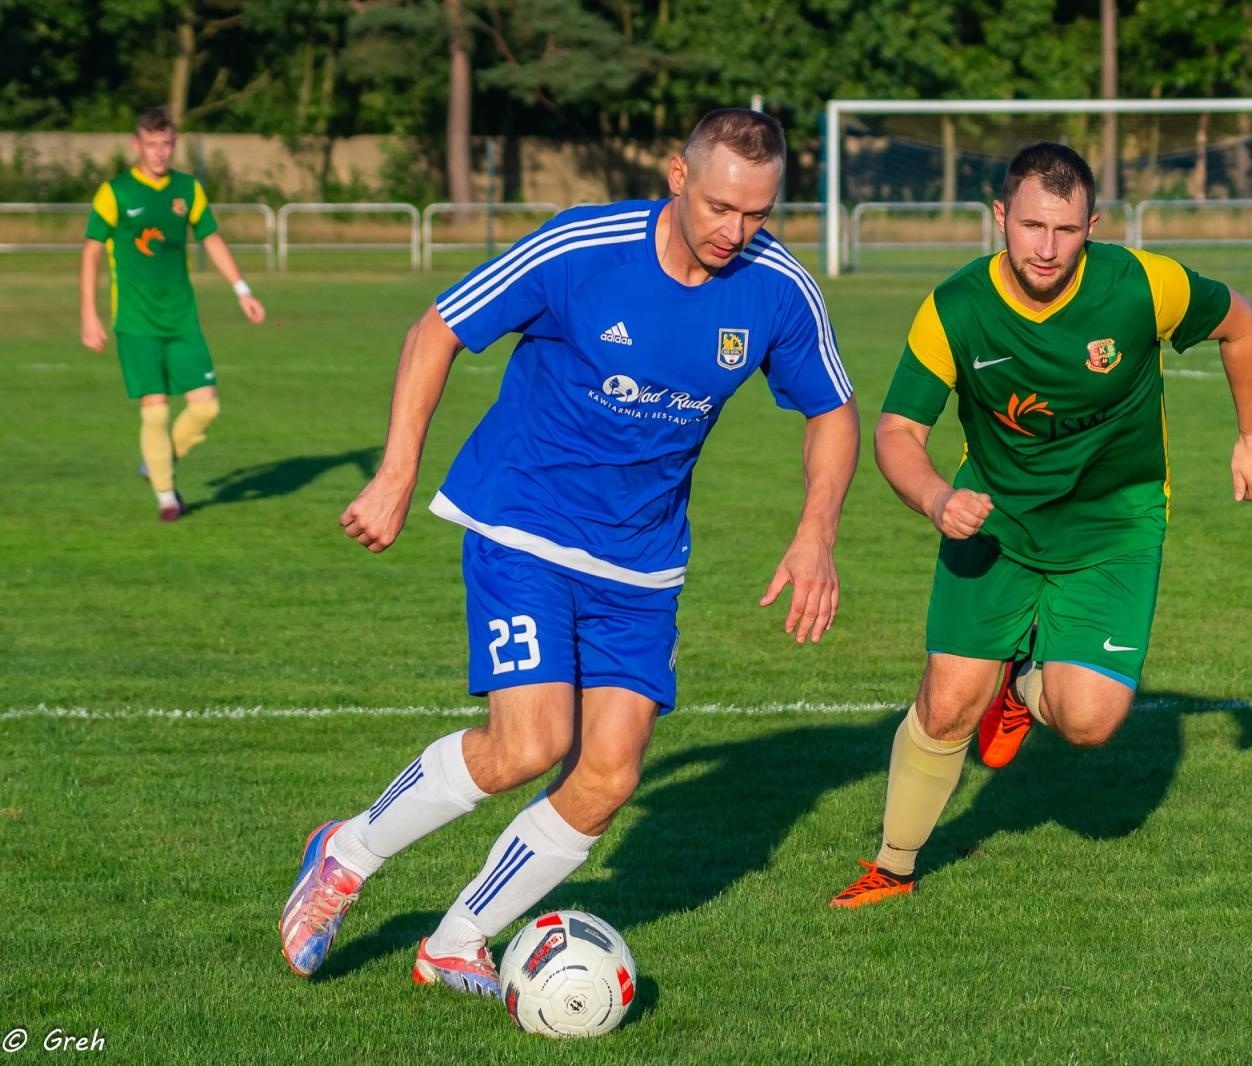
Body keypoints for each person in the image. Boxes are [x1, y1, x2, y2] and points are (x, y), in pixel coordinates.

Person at [278, 108, 858, 994]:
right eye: (719, 209)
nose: (735, 232)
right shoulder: (581, 246)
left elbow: (832, 409)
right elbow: (436, 329)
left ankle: (456, 941)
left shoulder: (776, 286)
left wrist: (816, 532)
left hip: (643, 559)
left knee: (610, 774)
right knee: (528, 744)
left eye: (757, 214)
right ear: (676, 175)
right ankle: (346, 854)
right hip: (526, 518)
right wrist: (397, 474)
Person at [830, 142, 1252, 908]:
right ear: (1000, 216)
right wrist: (939, 499)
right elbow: (897, 431)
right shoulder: (956, 306)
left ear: (1093, 225)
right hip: (994, 522)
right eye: (1031, 225)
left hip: (1115, 523)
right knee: (946, 705)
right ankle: (894, 867)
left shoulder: (1143, 284)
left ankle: (1022, 690)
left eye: (1066, 230)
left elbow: (1240, 322)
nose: (1046, 247)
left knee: (1089, 720)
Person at [80, 105, 266, 521]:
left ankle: (157, 462)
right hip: (135, 320)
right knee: (156, 408)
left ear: (174, 144)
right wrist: (88, 315)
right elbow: (91, 252)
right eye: (151, 145)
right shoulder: (116, 193)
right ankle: (167, 497)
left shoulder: (187, 189)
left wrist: (242, 290)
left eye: (166, 144)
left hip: (182, 317)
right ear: (136, 145)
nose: (160, 153)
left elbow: (212, 238)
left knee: (206, 407)